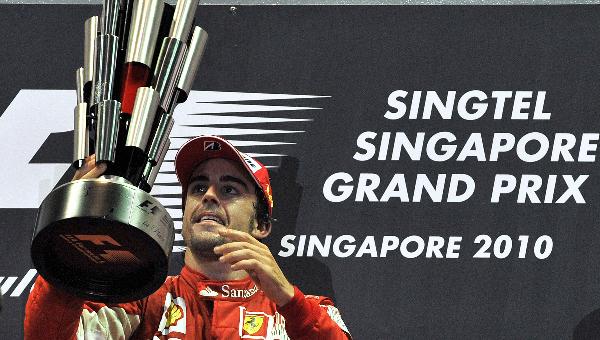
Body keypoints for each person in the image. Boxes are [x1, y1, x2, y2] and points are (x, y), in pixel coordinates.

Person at [24, 135, 351, 339]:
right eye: (198, 187)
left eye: (229, 189)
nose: (209, 196)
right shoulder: (144, 300)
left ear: (261, 225)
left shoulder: (301, 312)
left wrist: (289, 301)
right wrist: (72, 246)